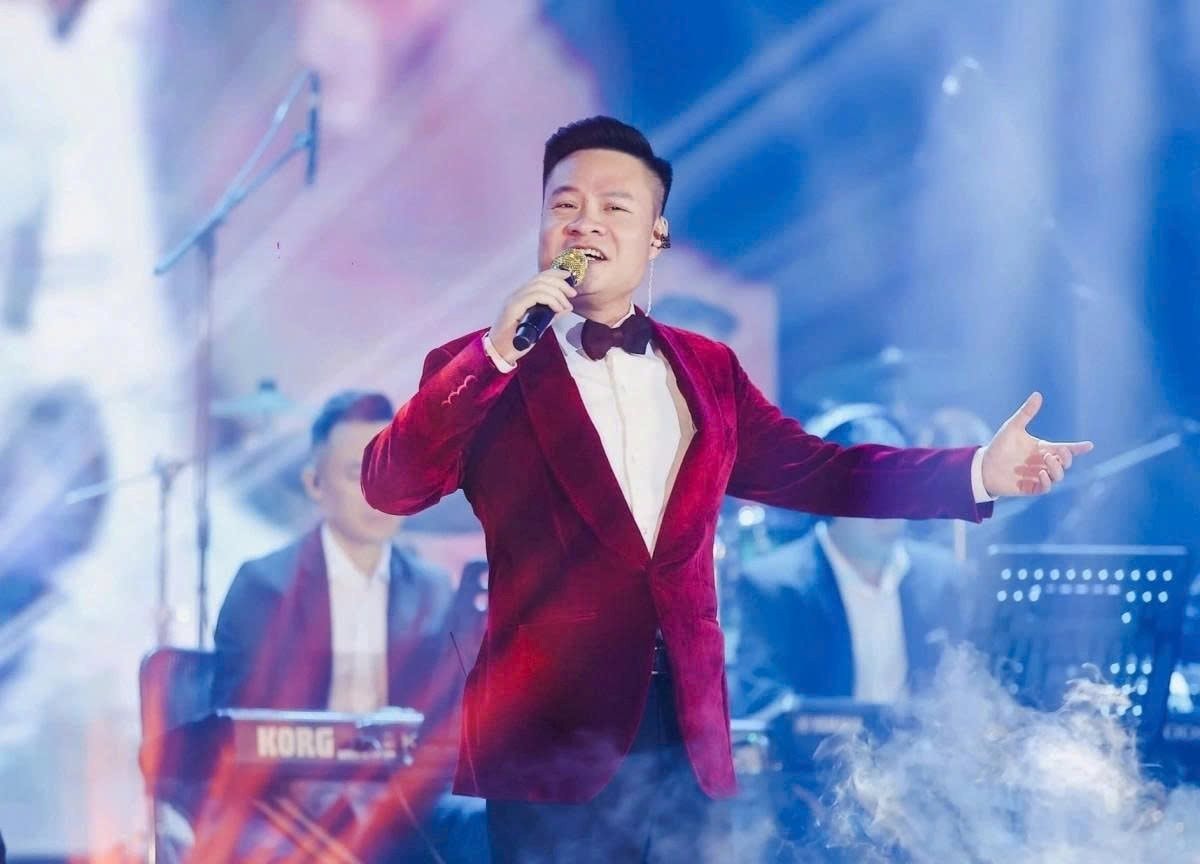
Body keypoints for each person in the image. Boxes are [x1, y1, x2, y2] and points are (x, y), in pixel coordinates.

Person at [359, 116, 1093, 863]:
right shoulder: (482, 370)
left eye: (614, 206)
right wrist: (495, 353)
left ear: (656, 235)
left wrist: (975, 471)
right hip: (550, 750)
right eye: (564, 205)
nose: (585, 223)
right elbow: (391, 486)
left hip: (687, 741)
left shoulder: (708, 370)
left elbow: (824, 471)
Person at [207, 389, 487, 863]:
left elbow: (444, 727)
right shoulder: (264, 586)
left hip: (401, 799)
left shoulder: (433, 588)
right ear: (315, 484)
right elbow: (237, 732)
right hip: (287, 800)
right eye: (358, 473)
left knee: (484, 822)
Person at [733, 406, 967, 715]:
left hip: (925, 746)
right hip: (825, 748)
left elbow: (968, 685)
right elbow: (763, 702)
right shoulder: (772, 586)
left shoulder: (944, 577)